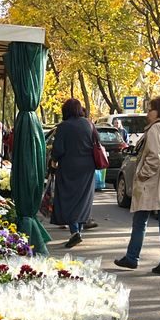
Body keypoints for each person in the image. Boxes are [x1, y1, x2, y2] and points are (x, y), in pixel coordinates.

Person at [113, 96, 160, 276]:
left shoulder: (157, 128)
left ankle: (132, 258)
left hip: (153, 183)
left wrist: (141, 175)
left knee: (140, 220)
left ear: (159, 111)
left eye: (150, 109)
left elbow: (155, 157)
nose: (148, 113)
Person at [50, 98, 97, 248]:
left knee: (67, 198)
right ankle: (79, 231)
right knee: (83, 199)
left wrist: (53, 161)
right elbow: (97, 142)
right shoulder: (89, 124)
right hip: (88, 167)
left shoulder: (64, 126)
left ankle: (75, 231)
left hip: (69, 167)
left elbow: (58, 149)